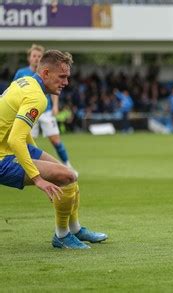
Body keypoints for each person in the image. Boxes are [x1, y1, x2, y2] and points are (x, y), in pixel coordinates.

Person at [0, 50, 107, 249]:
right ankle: (62, 235)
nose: (66, 82)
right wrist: (38, 179)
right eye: (62, 76)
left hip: (8, 146)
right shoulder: (38, 98)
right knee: (66, 176)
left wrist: (35, 151)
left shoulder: (24, 81)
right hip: (3, 156)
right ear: (46, 73)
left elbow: (16, 127)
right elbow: (16, 138)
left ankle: (75, 229)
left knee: (70, 175)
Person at [14, 44, 78, 176]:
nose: (36, 58)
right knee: (28, 140)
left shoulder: (49, 74)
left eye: (39, 56)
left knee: (55, 140)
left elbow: (55, 90)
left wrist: (55, 106)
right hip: (28, 111)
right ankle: (31, 169)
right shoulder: (22, 73)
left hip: (46, 111)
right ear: (29, 58)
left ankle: (67, 165)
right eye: (34, 56)